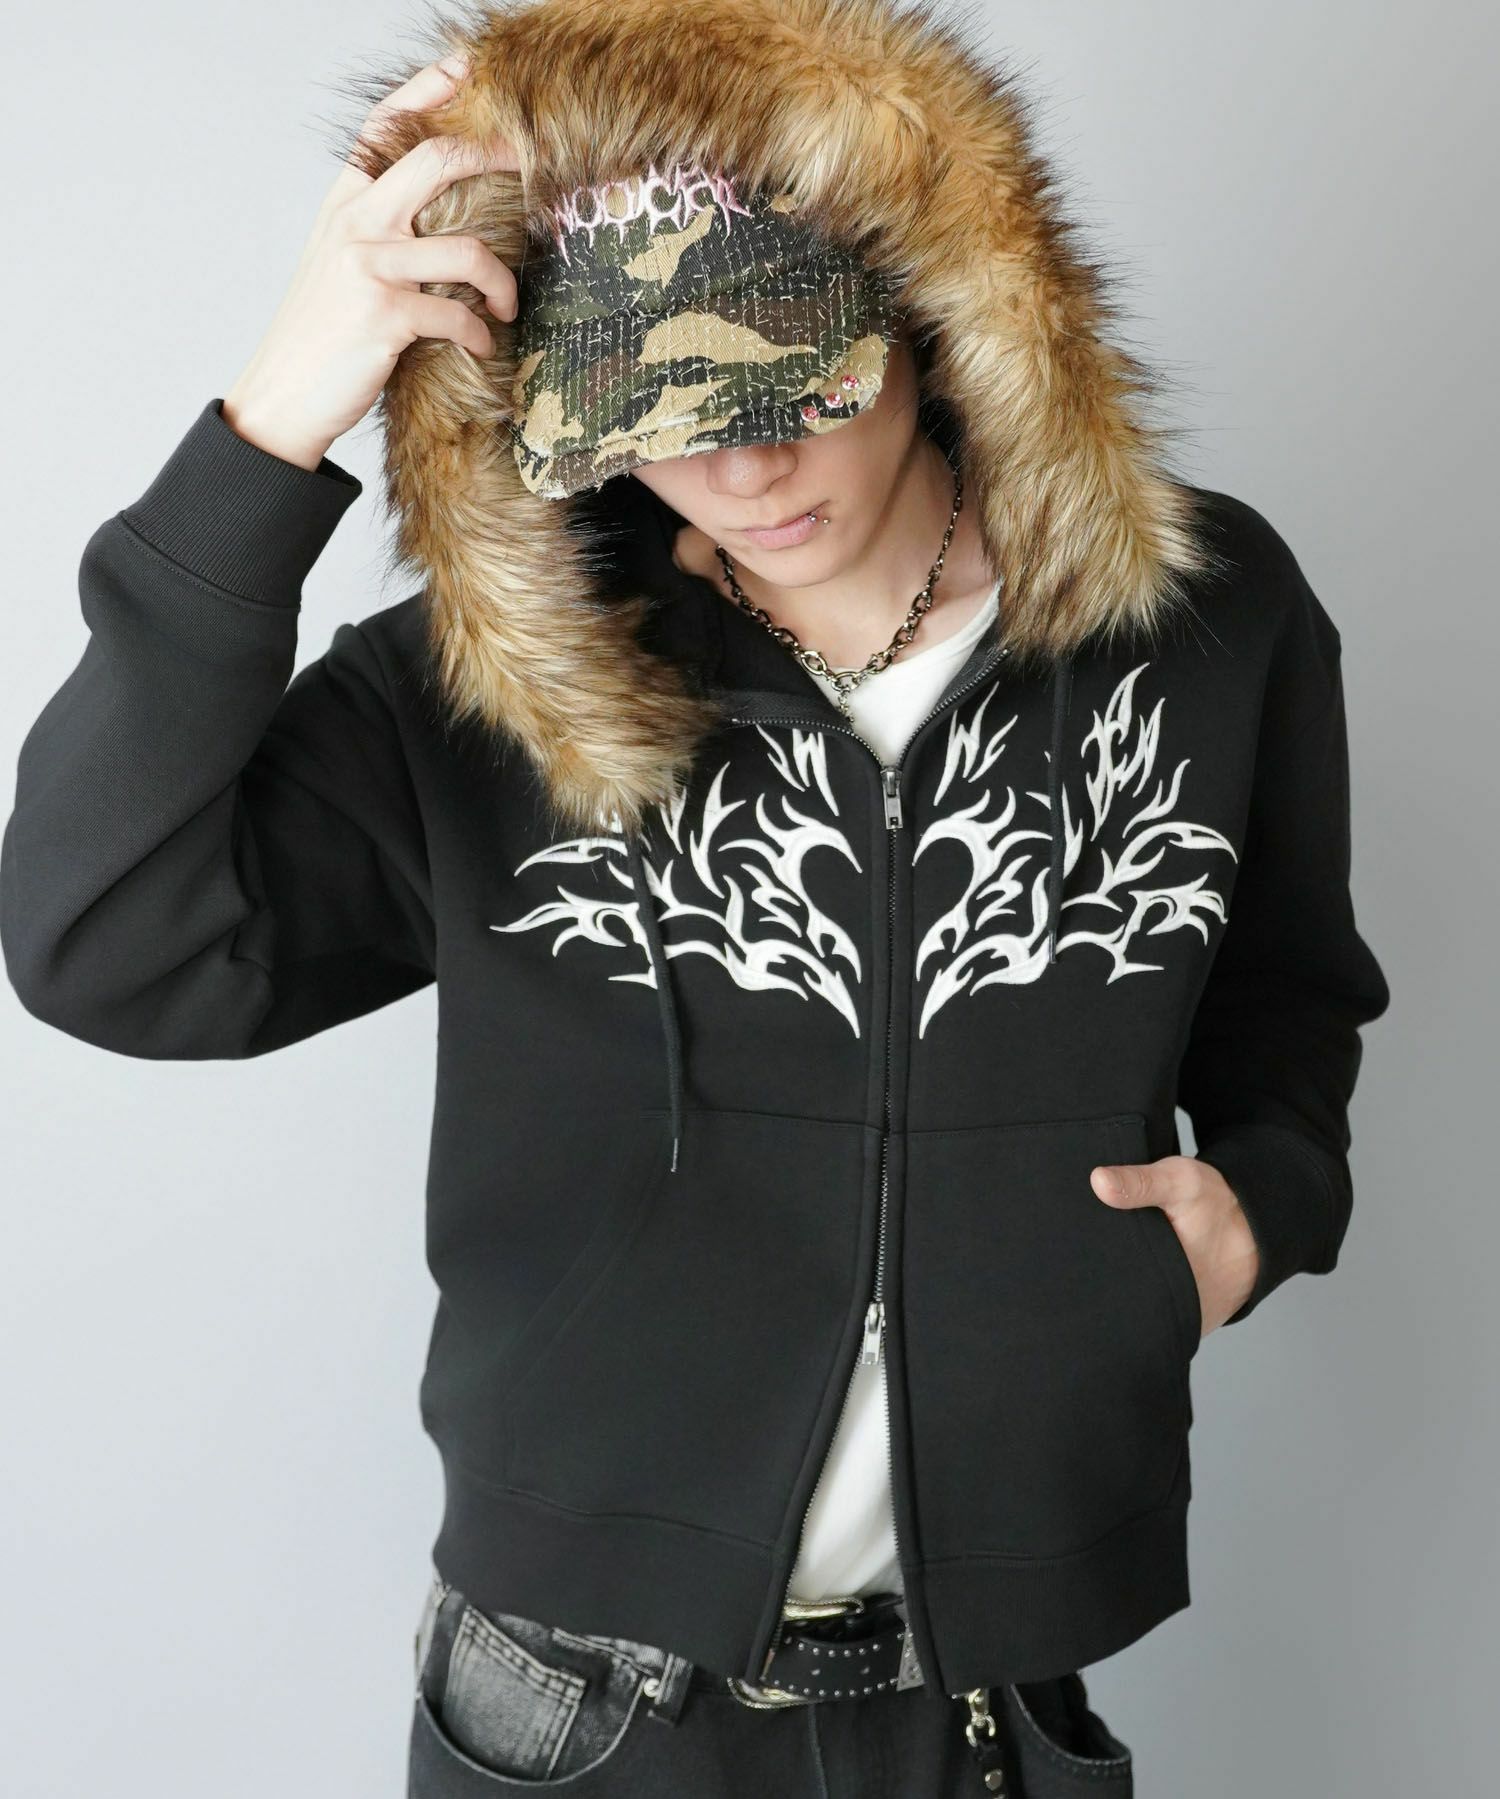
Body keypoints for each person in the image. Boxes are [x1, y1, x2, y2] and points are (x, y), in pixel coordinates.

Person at [0, 3, 1392, 1794]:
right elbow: (98, 938)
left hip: (995, 1711)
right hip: (578, 1720)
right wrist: (271, 425)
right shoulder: (499, 687)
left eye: (803, 388)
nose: (747, 473)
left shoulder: (1205, 618)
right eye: (659, 416)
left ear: (937, 309)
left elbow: (1289, 997)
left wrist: (1265, 1208)